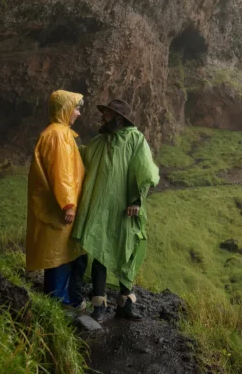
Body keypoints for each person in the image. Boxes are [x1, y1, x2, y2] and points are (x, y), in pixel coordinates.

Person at [72, 98, 160, 321]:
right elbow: (83, 157)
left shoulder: (135, 139)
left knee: (127, 250)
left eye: (108, 114)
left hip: (125, 207)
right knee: (100, 250)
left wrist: (136, 201)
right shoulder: (101, 141)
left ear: (119, 118)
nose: (103, 117)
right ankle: (99, 306)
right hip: (102, 206)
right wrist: (65, 143)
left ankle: (125, 304)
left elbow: (145, 170)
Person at [26, 89, 86, 308]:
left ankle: (62, 299)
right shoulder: (58, 136)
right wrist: (68, 203)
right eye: (76, 108)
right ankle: (57, 302)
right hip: (57, 208)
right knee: (58, 255)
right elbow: (61, 174)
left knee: (60, 253)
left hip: (56, 206)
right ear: (64, 109)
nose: (78, 114)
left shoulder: (59, 133)